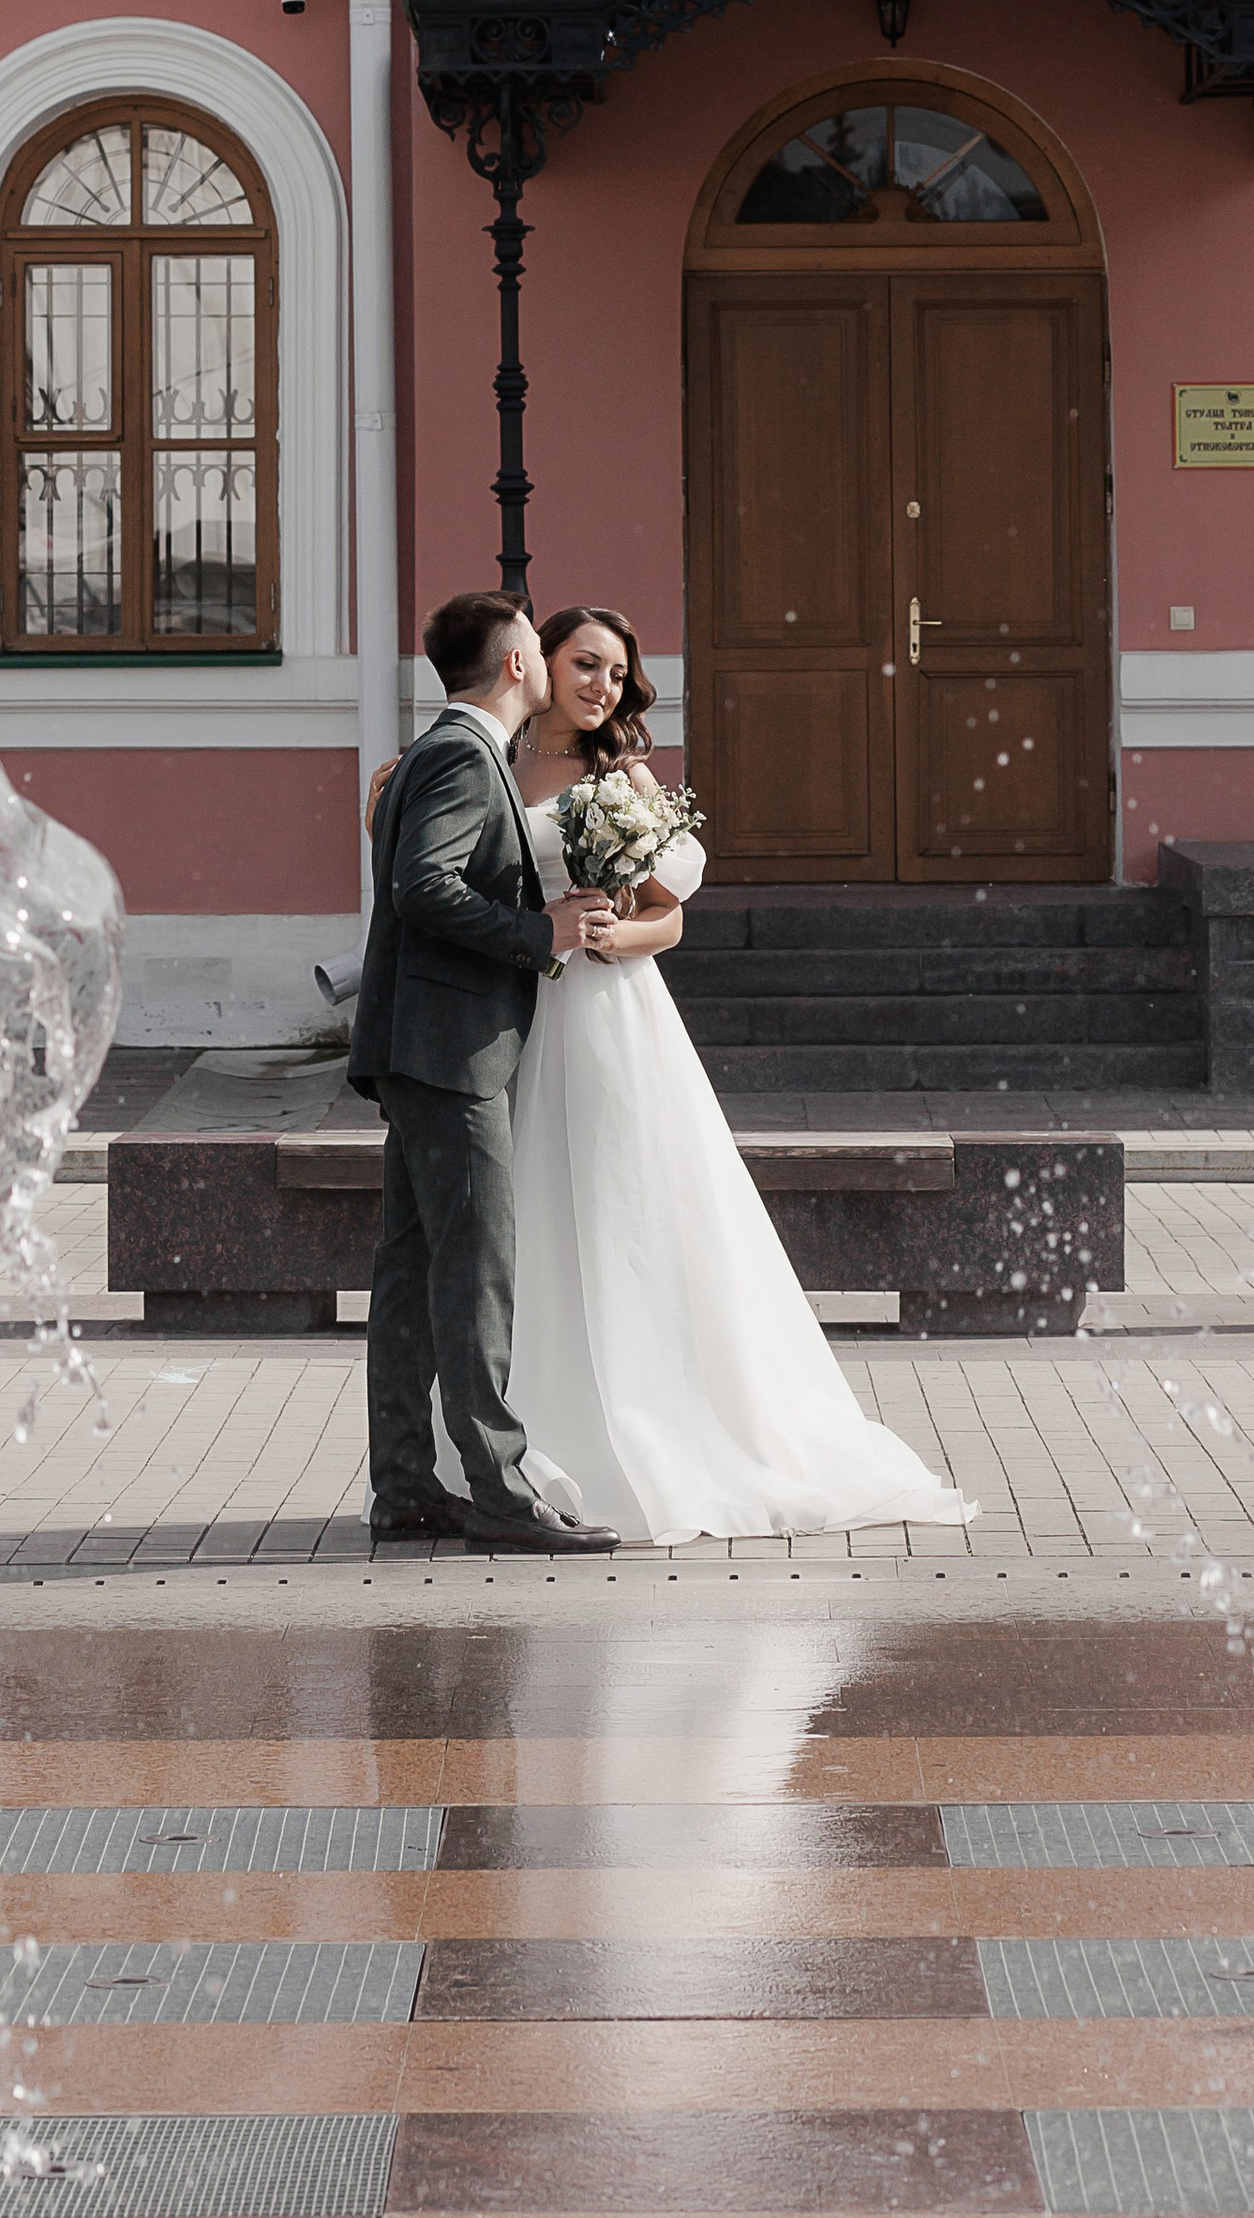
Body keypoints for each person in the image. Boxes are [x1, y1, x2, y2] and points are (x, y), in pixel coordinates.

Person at [492, 603, 977, 1547]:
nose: (600, 687)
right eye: (584, 666)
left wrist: (607, 936)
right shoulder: (497, 761)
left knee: (625, 1210)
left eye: (616, 674)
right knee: (532, 1216)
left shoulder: (619, 777)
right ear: (541, 662)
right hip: (513, 1010)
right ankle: (527, 1435)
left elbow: (667, 918)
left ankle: (654, 1429)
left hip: (607, 1014)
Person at [346, 589, 622, 1556]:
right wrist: (535, 934)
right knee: (474, 1276)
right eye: (542, 655)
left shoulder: (444, 752)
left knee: (413, 1272)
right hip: (451, 1053)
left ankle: (406, 1489)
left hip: (424, 1046)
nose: (552, 668)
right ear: (515, 664)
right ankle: (500, 1496)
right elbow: (423, 886)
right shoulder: (464, 756)